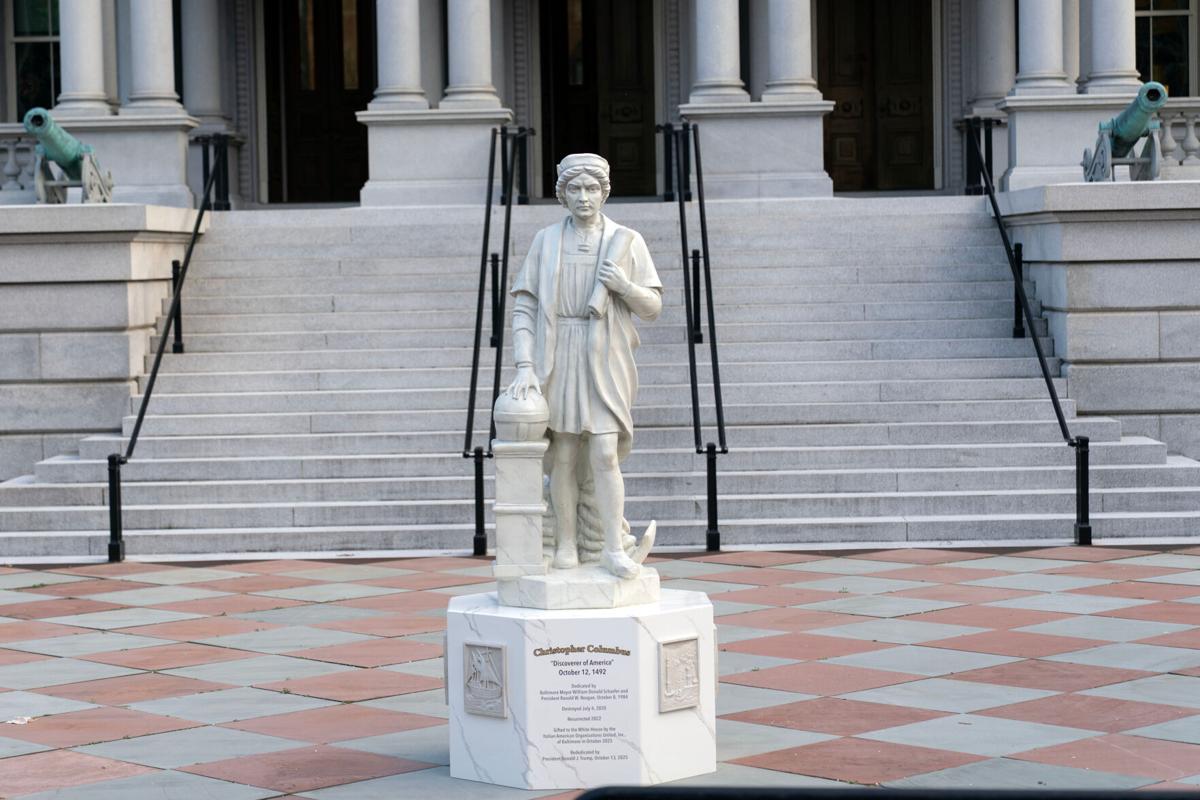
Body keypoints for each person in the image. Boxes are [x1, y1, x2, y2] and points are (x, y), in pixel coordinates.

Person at [506, 153, 662, 579]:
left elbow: (652, 306)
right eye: (574, 189)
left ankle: (613, 547)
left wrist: (624, 286)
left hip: (606, 357)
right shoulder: (546, 241)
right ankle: (567, 545)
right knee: (564, 453)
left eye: (592, 188)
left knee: (605, 452)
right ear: (562, 194)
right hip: (558, 355)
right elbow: (524, 307)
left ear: (604, 192)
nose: (584, 197)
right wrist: (524, 365)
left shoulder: (627, 240)